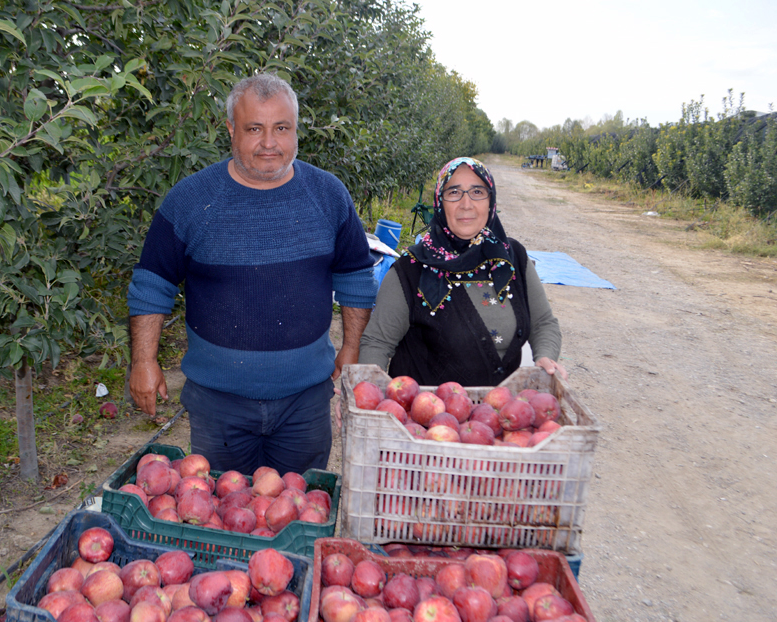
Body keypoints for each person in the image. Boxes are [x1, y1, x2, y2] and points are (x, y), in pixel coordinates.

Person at [127, 73, 378, 474]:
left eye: (281, 128)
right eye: (254, 129)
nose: (269, 143)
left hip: (306, 403)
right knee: (223, 516)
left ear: (297, 130)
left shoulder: (329, 196)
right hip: (218, 405)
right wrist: (143, 360)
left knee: (300, 511)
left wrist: (351, 348)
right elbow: (150, 286)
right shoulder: (191, 201)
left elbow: (356, 277)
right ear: (230, 130)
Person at [358, 156, 566, 386]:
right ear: (439, 201)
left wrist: (545, 357)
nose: (466, 204)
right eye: (454, 192)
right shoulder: (411, 270)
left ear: (491, 201)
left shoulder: (511, 258)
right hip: (426, 418)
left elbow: (543, 323)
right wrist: (370, 398)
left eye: (477, 192)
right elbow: (376, 343)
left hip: (503, 414)